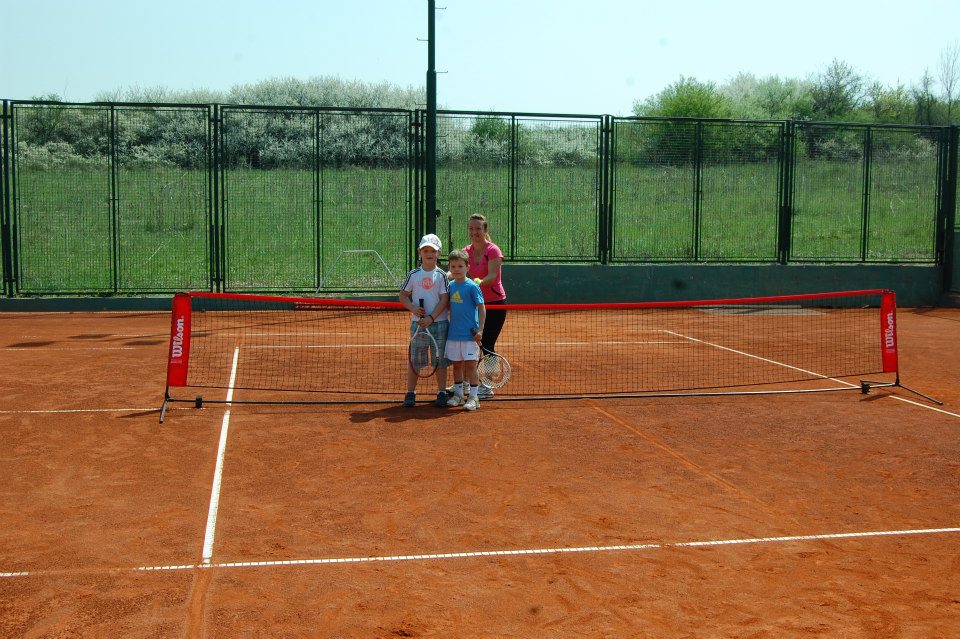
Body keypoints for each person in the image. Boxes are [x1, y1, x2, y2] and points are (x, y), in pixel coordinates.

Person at [400, 234, 449, 408]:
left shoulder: (442, 275)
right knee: (415, 361)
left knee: (440, 361)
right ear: (420, 252)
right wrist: (413, 308)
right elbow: (403, 295)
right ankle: (410, 392)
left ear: (439, 253)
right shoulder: (413, 274)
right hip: (418, 324)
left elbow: (444, 299)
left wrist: (431, 317)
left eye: (433, 251)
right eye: (425, 250)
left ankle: (442, 392)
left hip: (440, 324)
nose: (429, 254)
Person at [463, 213, 506, 398]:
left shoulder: (493, 250)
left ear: (485, 230)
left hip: (495, 304)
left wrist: (476, 283)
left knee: (487, 344)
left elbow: (492, 277)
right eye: (471, 229)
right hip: (474, 304)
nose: (475, 232)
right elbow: (457, 270)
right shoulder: (466, 251)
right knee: (468, 344)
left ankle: (487, 386)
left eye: (478, 228)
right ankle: (465, 384)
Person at [444, 249, 486, 411]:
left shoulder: (472, 287)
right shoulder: (450, 286)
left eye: (460, 266)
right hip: (453, 335)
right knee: (456, 367)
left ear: (467, 267)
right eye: (453, 266)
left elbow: (482, 309)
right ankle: (458, 395)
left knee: (470, 367)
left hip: (470, 336)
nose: (456, 269)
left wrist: (480, 330)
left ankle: (474, 397)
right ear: (449, 268)